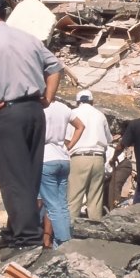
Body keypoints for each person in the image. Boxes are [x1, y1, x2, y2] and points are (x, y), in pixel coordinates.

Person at [0, 0, 63, 248]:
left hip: (9, 113)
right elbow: (55, 68)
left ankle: (26, 238)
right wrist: (48, 98)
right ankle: (18, 229)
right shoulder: (28, 38)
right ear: (4, 13)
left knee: (11, 177)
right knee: (30, 175)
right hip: (35, 112)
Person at [40, 99, 83, 247]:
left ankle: (64, 241)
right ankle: (62, 241)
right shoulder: (63, 107)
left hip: (46, 157)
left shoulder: (40, 108)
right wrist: (69, 145)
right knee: (62, 203)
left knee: (52, 205)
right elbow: (80, 126)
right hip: (63, 157)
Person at [68, 90, 111, 221]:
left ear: (77, 102)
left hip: (79, 157)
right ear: (92, 101)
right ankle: (95, 231)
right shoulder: (100, 115)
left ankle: (70, 230)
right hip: (98, 157)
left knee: (74, 197)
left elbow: (66, 138)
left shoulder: (73, 114)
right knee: (96, 197)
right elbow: (108, 139)